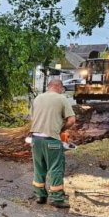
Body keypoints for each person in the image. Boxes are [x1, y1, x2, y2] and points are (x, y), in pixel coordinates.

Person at [30, 79, 76, 208]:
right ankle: (56, 198)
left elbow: (34, 117)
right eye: (62, 88)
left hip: (35, 139)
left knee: (39, 167)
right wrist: (61, 129)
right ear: (59, 87)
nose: (62, 90)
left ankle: (40, 195)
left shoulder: (38, 98)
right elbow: (72, 120)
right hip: (51, 140)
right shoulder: (61, 99)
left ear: (49, 87)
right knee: (55, 168)